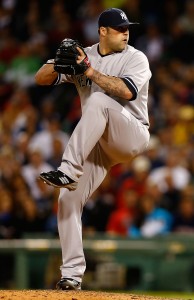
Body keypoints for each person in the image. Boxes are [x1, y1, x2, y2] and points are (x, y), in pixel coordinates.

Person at [35, 7, 151, 291]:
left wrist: (87, 70)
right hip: (99, 142)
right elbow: (41, 78)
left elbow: (125, 92)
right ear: (102, 31)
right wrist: (58, 64)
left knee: (99, 101)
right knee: (67, 200)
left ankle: (68, 169)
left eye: (127, 28)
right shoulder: (84, 52)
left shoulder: (135, 57)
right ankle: (72, 275)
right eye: (119, 28)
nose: (126, 32)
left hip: (131, 133)